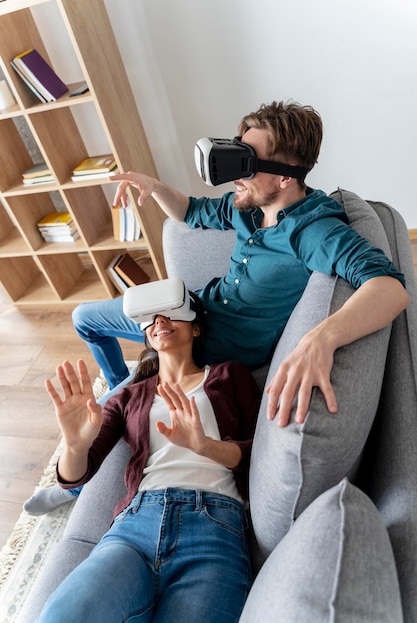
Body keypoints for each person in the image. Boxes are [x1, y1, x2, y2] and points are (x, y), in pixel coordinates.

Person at [27, 99, 409, 515]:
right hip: (183, 309)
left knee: (98, 417)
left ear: (284, 177)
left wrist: (321, 337)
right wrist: (154, 188)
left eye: (247, 161)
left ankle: (73, 485)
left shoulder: (312, 231)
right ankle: (117, 374)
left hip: (197, 348)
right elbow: (191, 211)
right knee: (84, 319)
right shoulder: (251, 206)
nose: (235, 174)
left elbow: (389, 288)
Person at [37, 289, 261, 623]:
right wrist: (74, 445)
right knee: (62, 619)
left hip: (213, 530)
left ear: (196, 327)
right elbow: (77, 474)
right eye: (152, 318)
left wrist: (205, 446)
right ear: (146, 334)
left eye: (171, 312)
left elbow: (260, 450)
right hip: (135, 528)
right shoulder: (128, 396)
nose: (160, 320)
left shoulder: (231, 376)